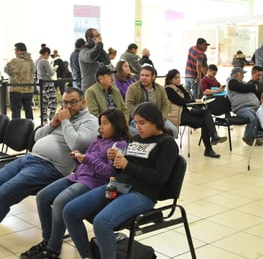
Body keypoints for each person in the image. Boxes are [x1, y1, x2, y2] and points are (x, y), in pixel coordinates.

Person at [0, 87, 99, 258]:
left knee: (4, 193)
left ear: (83, 102)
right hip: (28, 159)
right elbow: (38, 137)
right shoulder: (63, 117)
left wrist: (65, 122)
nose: (68, 106)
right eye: (65, 102)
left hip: (51, 167)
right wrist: (53, 124)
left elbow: (77, 144)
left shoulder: (90, 121)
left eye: (73, 102)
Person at [62, 102, 179, 259]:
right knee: (70, 211)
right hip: (119, 186)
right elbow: (121, 171)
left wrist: (127, 165)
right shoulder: (135, 139)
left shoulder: (167, 143)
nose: (137, 127)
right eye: (135, 122)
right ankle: (88, 256)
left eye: (142, 123)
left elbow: (159, 178)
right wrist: (116, 161)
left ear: (156, 121)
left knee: (102, 222)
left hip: (143, 193)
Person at [20, 108, 130, 259]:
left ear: (117, 125)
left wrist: (87, 159)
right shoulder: (98, 139)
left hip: (95, 182)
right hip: (77, 176)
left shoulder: (120, 144)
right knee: (42, 197)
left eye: (105, 124)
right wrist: (78, 158)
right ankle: (48, 239)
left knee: (59, 202)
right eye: (100, 123)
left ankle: (53, 248)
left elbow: (109, 173)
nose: (101, 127)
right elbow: (87, 161)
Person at [165, 69, 226, 158]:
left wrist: (194, 99)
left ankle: (213, 138)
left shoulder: (180, 88)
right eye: (176, 78)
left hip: (187, 112)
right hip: (179, 115)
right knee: (205, 123)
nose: (178, 79)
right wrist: (194, 100)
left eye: (179, 77)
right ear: (170, 79)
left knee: (206, 112)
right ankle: (210, 144)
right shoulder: (168, 89)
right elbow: (180, 101)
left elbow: (188, 98)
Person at [125, 65, 178, 137]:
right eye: (142, 75)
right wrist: (138, 117)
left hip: (157, 118)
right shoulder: (133, 88)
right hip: (138, 119)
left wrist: (162, 118)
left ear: (153, 77)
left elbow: (166, 104)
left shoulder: (160, 89)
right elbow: (129, 105)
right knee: (147, 133)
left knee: (173, 131)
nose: (143, 77)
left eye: (147, 76)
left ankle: (164, 147)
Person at [227, 67, 263, 146]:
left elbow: (249, 87)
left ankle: (255, 137)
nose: (243, 76)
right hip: (241, 108)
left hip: (251, 106)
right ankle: (247, 137)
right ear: (237, 75)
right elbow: (244, 88)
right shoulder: (231, 82)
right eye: (242, 74)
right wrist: (252, 87)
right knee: (252, 118)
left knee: (262, 115)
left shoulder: (242, 82)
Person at [4, 42, 35, 120]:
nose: (15, 52)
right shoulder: (31, 61)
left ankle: (16, 128)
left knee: (16, 111)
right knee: (28, 109)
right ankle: (30, 126)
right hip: (29, 89)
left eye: (15, 50)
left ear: (19, 50)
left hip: (16, 89)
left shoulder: (14, 61)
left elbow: (6, 70)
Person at [79, 28, 110, 92]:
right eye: (96, 36)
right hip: (89, 89)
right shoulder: (83, 52)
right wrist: (98, 45)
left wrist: (100, 46)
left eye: (99, 35)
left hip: (100, 88)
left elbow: (107, 61)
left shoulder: (98, 49)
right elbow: (91, 57)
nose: (99, 38)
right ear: (89, 39)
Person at [36, 47, 57, 124]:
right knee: (53, 102)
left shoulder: (37, 61)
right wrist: (55, 69)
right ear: (46, 53)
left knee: (44, 103)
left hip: (40, 84)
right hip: (48, 84)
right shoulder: (45, 61)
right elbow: (51, 73)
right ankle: (52, 119)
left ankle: (44, 120)